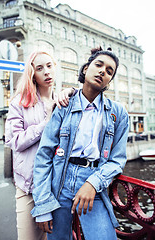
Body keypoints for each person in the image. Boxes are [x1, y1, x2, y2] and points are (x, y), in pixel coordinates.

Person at [31, 47, 129, 240]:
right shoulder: (64, 106)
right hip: (60, 181)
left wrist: (93, 183)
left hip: (94, 181)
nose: (102, 71)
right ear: (85, 69)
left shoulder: (118, 113)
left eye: (109, 71)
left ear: (110, 81)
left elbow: (117, 160)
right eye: (98, 65)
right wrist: (42, 205)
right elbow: (44, 156)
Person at [5, 50, 74, 240]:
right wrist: (47, 124)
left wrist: (71, 91)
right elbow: (14, 141)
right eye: (40, 68)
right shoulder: (19, 102)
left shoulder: (63, 102)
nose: (46, 72)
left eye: (50, 66)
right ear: (32, 73)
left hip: (57, 187)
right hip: (28, 187)